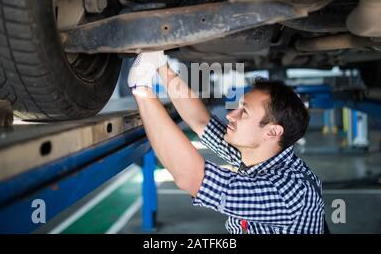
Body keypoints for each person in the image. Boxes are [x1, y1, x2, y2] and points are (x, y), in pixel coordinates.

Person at [127, 51, 324, 234]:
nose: (230, 115)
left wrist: (142, 90)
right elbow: (201, 121)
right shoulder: (257, 155)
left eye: (243, 112)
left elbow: (192, 178)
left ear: (272, 132)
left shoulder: (291, 193)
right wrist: (161, 65)